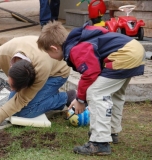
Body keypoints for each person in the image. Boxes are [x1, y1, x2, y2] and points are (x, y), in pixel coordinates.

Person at [37, 21, 145, 155]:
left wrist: (80, 100)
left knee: (95, 92)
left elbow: (89, 73)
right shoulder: (79, 39)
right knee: (114, 93)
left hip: (124, 54)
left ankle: (99, 142)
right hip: (134, 49)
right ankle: (111, 131)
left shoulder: (76, 49)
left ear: (54, 48)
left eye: (48, 53)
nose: (49, 56)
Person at [0, 35, 76, 128]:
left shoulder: (41, 69)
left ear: (29, 84)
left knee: (25, 112)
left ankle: (65, 97)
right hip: (37, 62)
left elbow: (22, 100)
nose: (12, 90)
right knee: (12, 109)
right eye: (10, 85)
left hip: (57, 73)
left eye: (15, 89)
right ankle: (47, 96)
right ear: (10, 68)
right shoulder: (1, 55)